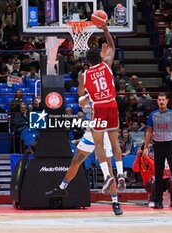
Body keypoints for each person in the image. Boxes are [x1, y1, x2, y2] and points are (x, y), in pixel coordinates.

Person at [45, 96, 123, 215]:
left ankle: (115, 202)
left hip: (103, 133)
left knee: (108, 171)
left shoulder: (107, 98)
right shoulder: (89, 96)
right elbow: (81, 103)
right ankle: (61, 188)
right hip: (90, 133)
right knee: (75, 161)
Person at [78, 21, 124, 193]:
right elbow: (112, 46)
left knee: (99, 144)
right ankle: (120, 174)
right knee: (114, 142)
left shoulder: (84, 75)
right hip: (112, 105)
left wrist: (85, 99)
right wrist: (105, 29)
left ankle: (107, 176)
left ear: (87, 61)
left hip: (99, 108)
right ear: (101, 57)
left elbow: (82, 97)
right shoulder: (106, 65)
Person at [143, 93, 172, 209]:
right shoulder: (152, 115)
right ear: (157, 101)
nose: (161, 102)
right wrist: (145, 147)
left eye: (163, 100)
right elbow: (149, 132)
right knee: (158, 174)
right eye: (159, 100)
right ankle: (158, 201)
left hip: (171, 144)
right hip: (158, 145)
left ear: (167, 101)